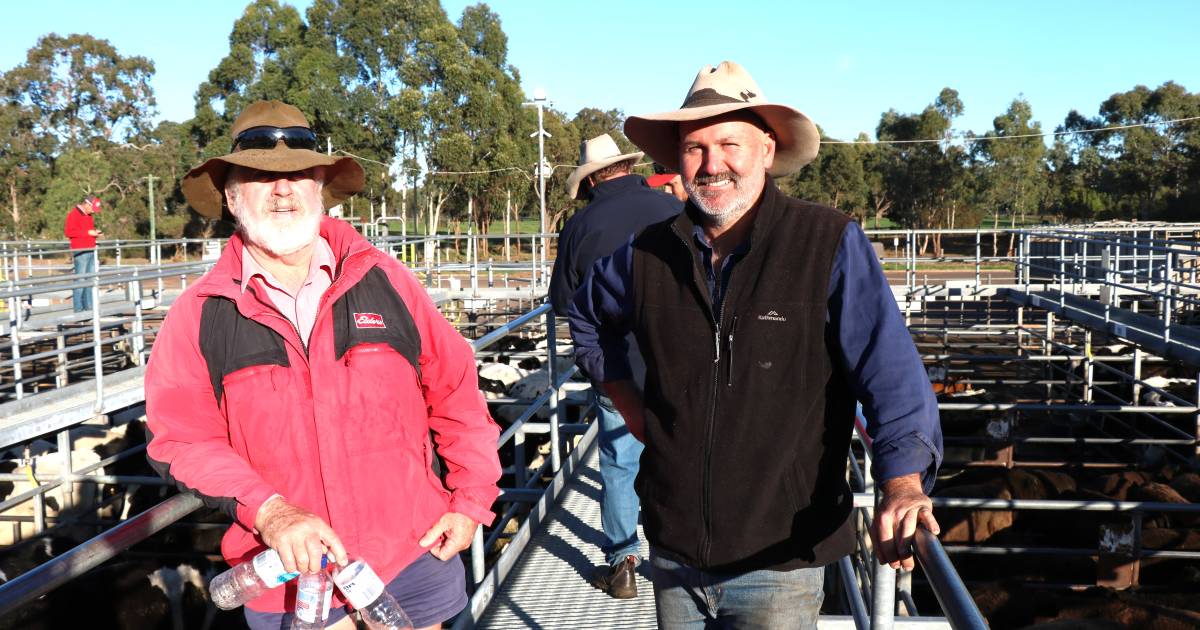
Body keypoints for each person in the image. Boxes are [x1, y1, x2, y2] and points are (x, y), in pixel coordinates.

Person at [568, 61, 944, 628]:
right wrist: (631, 404)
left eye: (729, 143)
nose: (712, 163)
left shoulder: (827, 243)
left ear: (767, 150)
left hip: (781, 558)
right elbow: (587, 317)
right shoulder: (644, 253)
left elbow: (887, 370)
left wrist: (903, 481)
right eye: (695, 147)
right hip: (674, 550)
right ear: (677, 158)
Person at [145, 100, 501, 630]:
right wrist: (270, 511)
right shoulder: (200, 315)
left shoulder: (387, 282)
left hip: (412, 558)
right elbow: (180, 439)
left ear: (320, 188)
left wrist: (472, 499)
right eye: (260, 176)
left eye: (298, 174)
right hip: (290, 580)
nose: (282, 190)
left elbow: (456, 393)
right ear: (231, 194)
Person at [549, 134, 682, 599]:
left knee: (620, 461)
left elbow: (565, 303)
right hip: (678, 360)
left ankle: (623, 560)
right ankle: (679, 556)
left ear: (589, 181)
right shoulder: (672, 210)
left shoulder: (580, 226)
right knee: (683, 450)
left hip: (616, 364)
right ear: (628, 167)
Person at [63, 196, 102, 312]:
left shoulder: (89, 216)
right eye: (93, 208)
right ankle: (78, 309)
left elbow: (87, 232)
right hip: (81, 250)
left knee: (90, 280)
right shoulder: (74, 214)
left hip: (91, 249)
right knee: (80, 280)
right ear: (87, 204)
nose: (94, 211)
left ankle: (89, 307)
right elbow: (69, 232)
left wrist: (94, 233)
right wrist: (87, 232)